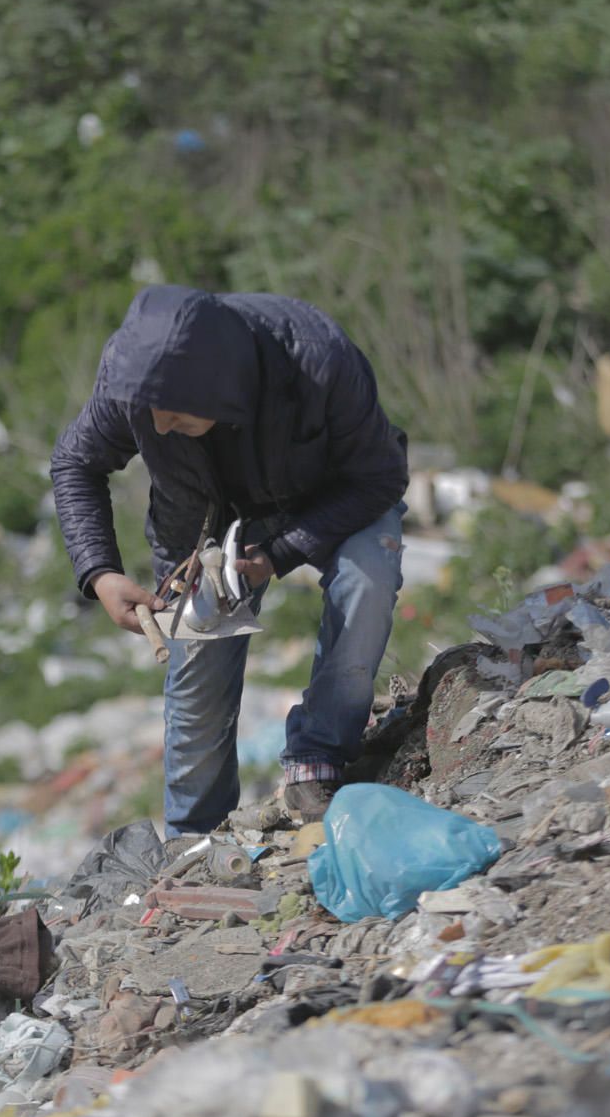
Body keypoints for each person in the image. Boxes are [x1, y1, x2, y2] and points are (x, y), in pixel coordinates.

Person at [50, 285, 409, 835]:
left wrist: (283, 551)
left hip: (336, 501)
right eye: (153, 415)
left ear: (219, 383)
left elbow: (382, 475)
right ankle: (195, 837)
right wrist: (100, 571)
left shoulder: (318, 359)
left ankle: (318, 761)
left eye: (175, 413)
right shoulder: (133, 382)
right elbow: (75, 462)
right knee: (196, 679)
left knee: (368, 582)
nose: (160, 426)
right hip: (203, 530)